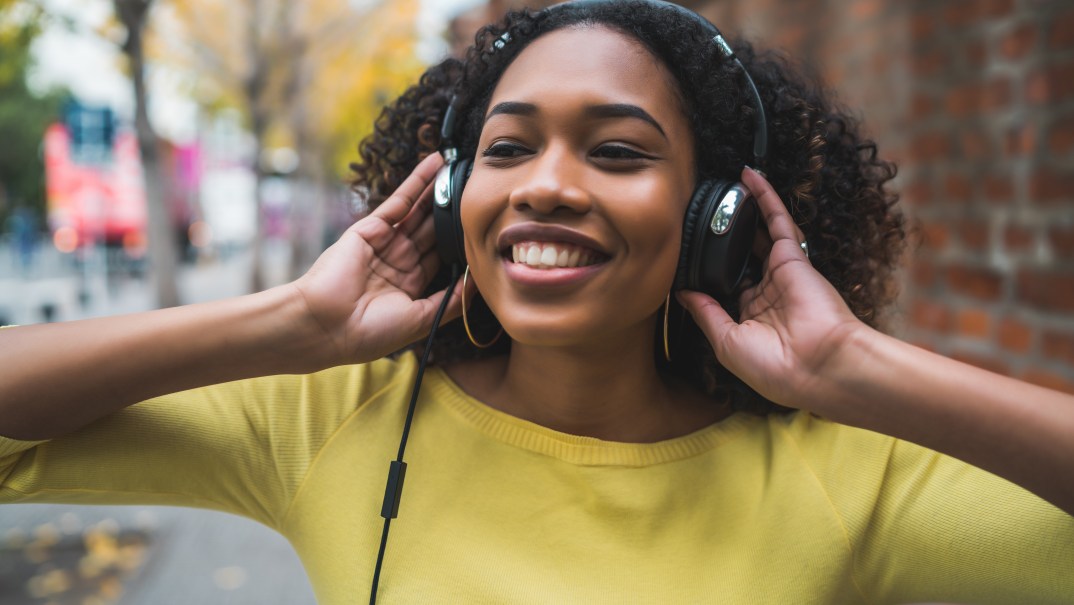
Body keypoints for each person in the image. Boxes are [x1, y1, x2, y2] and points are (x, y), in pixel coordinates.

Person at [2, 2, 1072, 603]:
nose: (548, 184)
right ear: (456, 194)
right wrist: (289, 324)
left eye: (616, 151)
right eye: (508, 148)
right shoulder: (339, 416)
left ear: (716, 215)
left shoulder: (842, 472)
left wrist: (860, 373)